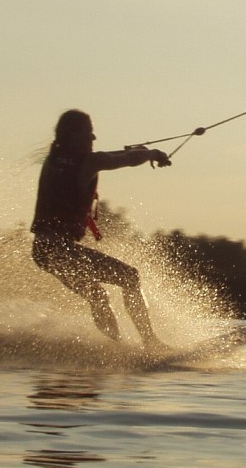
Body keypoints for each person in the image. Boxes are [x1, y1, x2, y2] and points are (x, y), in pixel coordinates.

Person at [31, 109, 172, 348]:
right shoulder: (89, 162)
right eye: (89, 133)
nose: (93, 139)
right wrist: (153, 153)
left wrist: (137, 152)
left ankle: (115, 348)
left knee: (97, 295)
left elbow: (110, 156)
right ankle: (151, 342)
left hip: (43, 251)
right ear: (73, 136)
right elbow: (119, 160)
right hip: (59, 249)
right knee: (130, 277)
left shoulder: (53, 159)